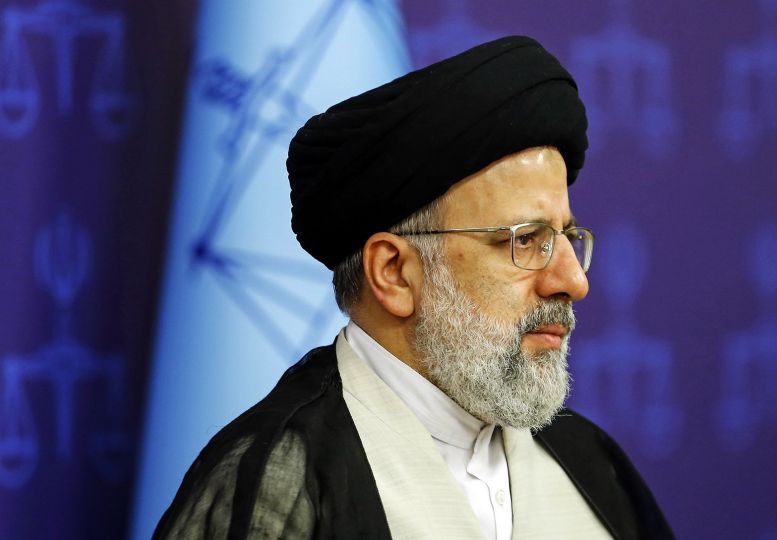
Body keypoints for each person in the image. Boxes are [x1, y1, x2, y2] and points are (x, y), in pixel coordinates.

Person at [155, 35, 674, 539]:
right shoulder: (278, 483)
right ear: (394, 273)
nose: (574, 281)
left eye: (566, 238)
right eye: (524, 240)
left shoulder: (593, 467)